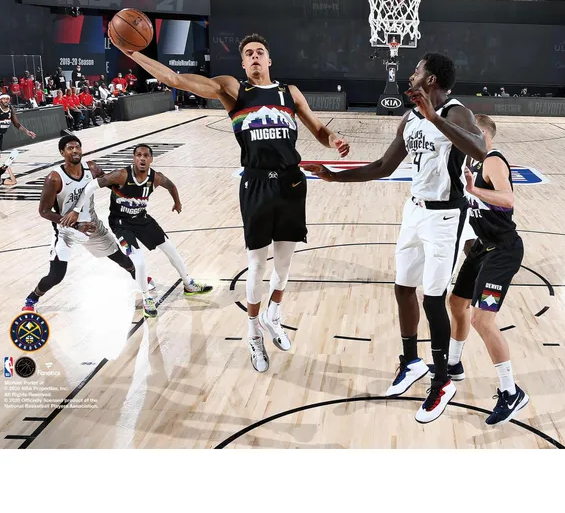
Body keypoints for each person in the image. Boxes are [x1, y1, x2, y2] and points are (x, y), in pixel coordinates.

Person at [109, 28, 350, 372]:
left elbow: (319, 130)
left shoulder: (289, 92)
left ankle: (273, 315)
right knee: (257, 265)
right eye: (248, 53)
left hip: (292, 183)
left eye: (259, 52)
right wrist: (132, 52)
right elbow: (175, 79)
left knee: (284, 264)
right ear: (242, 62)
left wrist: (335, 140)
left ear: (269, 59)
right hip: (256, 184)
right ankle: (253, 334)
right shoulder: (233, 89)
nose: (254, 56)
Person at [306, 53, 487, 424]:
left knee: (433, 300)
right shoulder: (409, 119)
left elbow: (480, 150)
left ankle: (442, 381)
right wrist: (333, 176)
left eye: (418, 69)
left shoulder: (456, 113)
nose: (412, 73)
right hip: (414, 211)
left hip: (445, 217)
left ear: (432, 79)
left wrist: (435, 118)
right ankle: (411, 361)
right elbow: (383, 167)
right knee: (403, 288)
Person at [432, 114, 528, 425]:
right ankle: (455, 365)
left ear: (482, 134)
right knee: (456, 303)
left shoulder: (493, 160)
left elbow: (507, 199)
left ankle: (511, 392)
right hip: (480, 248)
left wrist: (473, 190)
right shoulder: (472, 164)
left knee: (482, 319)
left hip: (502, 251)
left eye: (469, 132)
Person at [61, 144, 212, 317]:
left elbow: (171, 186)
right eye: (138, 155)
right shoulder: (121, 175)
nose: (142, 158)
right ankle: (147, 298)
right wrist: (77, 209)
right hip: (121, 224)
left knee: (172, 250)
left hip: (142, 219)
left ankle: (188, 284)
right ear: (134, 158)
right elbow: (90, 187)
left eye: (146, 155)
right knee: (139, 262)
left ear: (151, 159)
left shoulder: (155, 178)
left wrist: (177, 202)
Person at [21, 136, 139, 313]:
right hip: (66, 230)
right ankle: (32, 298)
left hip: (92, 225)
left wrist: (129, 193)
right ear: (62, 152)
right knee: (56, 275)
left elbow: (109, 184)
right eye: (70, 148)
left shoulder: (91, 168)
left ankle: (144, 282)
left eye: (78, 147)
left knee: (121, 258)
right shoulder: (54, 178)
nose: (75, 150)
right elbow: (44, 211)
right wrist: (76, 226)